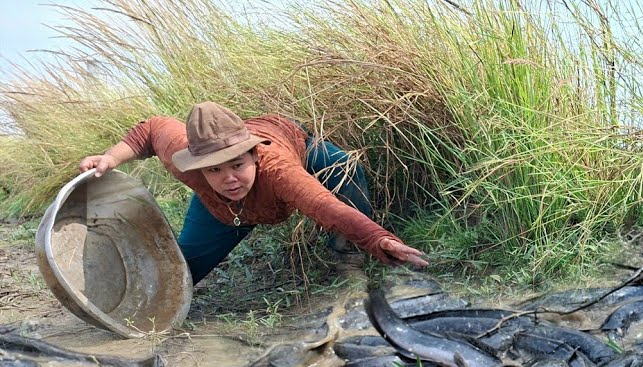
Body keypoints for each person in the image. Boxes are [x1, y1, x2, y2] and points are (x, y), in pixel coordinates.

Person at [79, 101, 429, 284]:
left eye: (237, 165)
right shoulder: (181, 155)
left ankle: (346, 254)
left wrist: (378, 239)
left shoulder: (279, 170)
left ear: (254, 154)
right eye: (214, 169)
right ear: (196, 165)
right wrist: (110, 158)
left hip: (297, 143)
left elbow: (325, 206)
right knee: (180, 275)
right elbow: (150, 129)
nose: (229, 178)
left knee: (345, 170)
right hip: (226, 213)